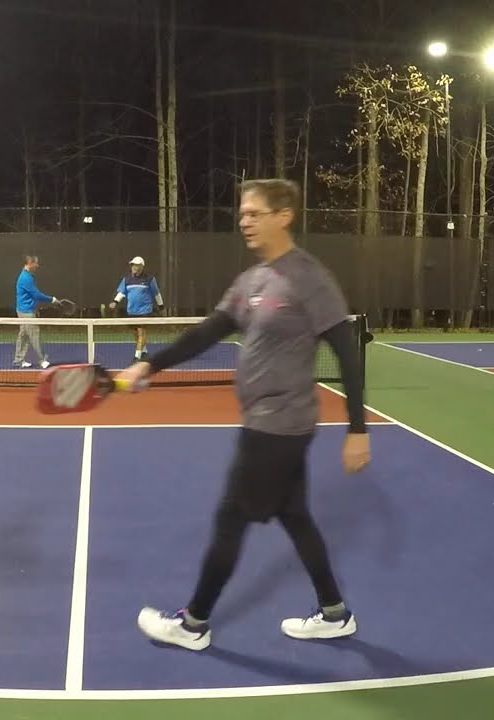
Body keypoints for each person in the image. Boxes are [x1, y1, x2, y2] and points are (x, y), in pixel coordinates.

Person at [118, 178, 369, 651]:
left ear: (284, 216)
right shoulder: (252, 280)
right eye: (242, 213)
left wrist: (358, 430)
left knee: (230, 517)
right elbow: (208, 332)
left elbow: (347, 354)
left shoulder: (309, 278)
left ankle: (193, 625)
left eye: (254, 213)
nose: (244, 221)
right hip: (268, 421)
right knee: (294, 515)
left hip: (278, 424)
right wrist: (150, 364)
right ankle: (335, 613)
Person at [108, 255, 164, 362]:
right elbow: (122, 292)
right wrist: (115, 302)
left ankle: (136, 357)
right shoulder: (127, 279)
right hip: (131, 312)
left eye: (137, 265)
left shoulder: (149, 279)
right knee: (136, 335)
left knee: (141, 333)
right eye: (133, 265)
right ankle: (145, 352)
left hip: (145, 311)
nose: (134, 267)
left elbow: (156, 293)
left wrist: (161, 306)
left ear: (142, 267)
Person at [14, 254, 58, 368]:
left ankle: (18, 359)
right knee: (34, 334)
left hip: (23, 310)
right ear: (29, 264)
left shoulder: (27, 276)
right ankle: (42, 360)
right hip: (26, 312)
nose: (37, 265)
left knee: (24, 335)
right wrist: (52, 299)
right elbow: (36, 295)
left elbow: (31, 296)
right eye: (35, 263)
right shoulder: (26, 278)